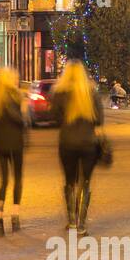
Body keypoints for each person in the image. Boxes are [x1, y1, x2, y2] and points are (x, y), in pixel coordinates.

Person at [51, 60, 104, 235]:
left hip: (67, 142)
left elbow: (56, 118)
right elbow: (99, 120)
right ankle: (82, 224)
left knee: (69, 182)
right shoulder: (91, 92)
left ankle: (72, 221)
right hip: (88, 143)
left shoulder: (60, 93)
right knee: (85, 182)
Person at [0, 67, 29, 236]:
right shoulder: (15, 97)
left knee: (3, 180)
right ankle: (15, 215)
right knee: (17, 178)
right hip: (15, 144)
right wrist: (24, 110)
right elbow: (20, 120)